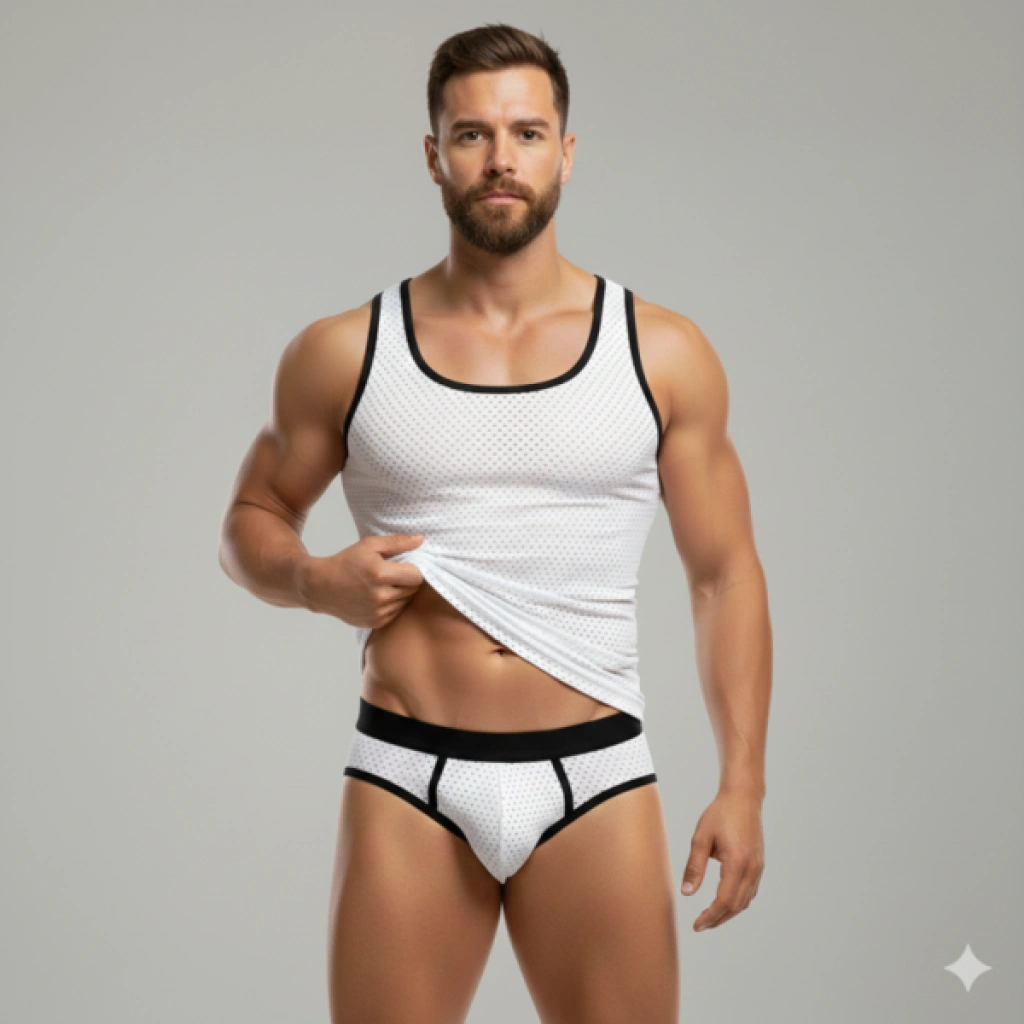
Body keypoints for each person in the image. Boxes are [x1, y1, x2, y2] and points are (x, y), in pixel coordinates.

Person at [218, 21, 771, 1024]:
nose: (500, 158)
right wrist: (314, 581)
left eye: (526, 132)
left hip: (595, 775)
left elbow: (722, 575)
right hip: (407, 775)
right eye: (472, 134)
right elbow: (250, 521)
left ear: (566, 151)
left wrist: (743, 784)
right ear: (434, 155)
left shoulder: (661, 352)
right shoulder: (346, 351)